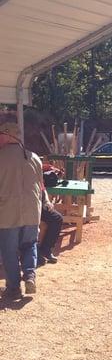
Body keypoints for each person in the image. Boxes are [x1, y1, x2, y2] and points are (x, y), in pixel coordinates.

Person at [0, 122, 43, 299]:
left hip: (7, 212)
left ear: (9, 135)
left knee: (9, 250)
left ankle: (13, 287)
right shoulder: (35, 158)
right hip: (33, 211)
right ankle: (30, 275)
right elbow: (41, 186)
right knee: (29, 244)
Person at [38, 189, 63, 265]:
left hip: (38, 204)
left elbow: (42, 187)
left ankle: (46, 249)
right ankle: (33, 253)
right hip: (23, 205)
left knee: (57, 218)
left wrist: (47, 201)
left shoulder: (37, 176)